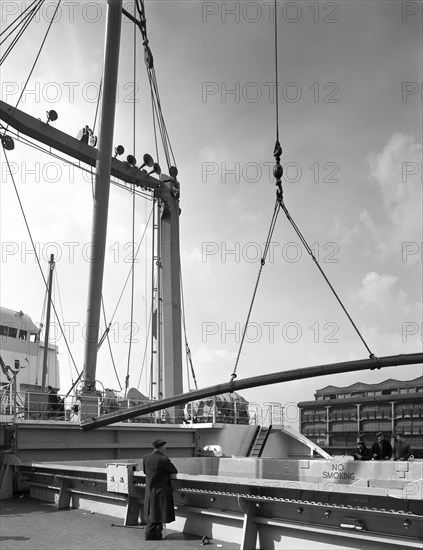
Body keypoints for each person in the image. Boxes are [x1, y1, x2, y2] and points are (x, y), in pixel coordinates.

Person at [143, 439, 178, 541]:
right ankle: (151, 534)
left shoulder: (146, 457)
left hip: (150, 490)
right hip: (161, 490)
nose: (166, 448)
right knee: (159, 512)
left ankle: (152, 534)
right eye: (165, 446)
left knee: (152, 512)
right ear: (162, 447)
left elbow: (145, 471)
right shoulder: (164, 459)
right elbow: (174, 470)